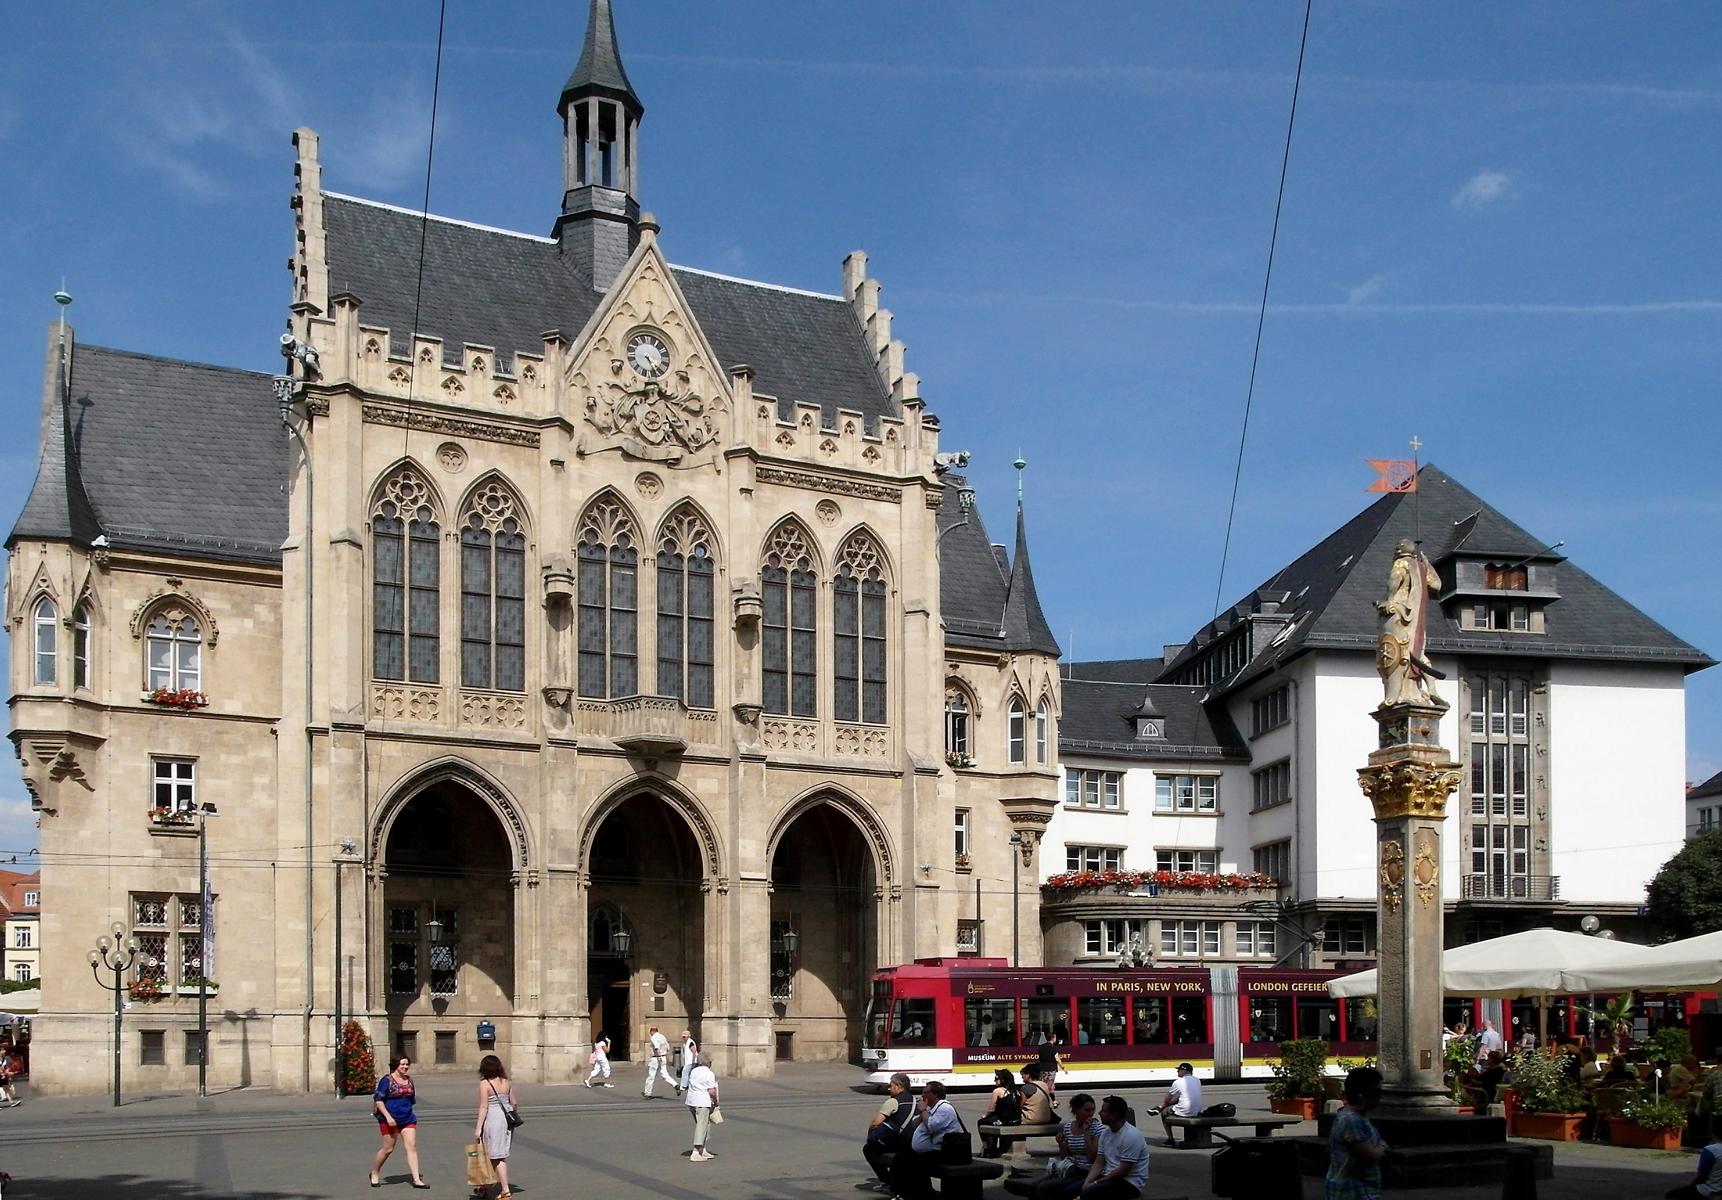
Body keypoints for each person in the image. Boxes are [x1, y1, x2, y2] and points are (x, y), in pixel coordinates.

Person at [889, 1080, 962, 1200]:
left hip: (942, 1151)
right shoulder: (931, 1108)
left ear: (936, 1095)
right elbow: (914, 1124)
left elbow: (932, 1126)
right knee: (900, 1158)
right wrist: (923, 1111)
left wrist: (923, 1111)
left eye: (925, 1092)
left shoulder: (945, 1108)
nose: (922, 1095)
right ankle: (900, 1192)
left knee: (917, 1165)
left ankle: (922, 1194)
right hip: (928, 1150)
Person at [1326, 1066, 1387, 1200]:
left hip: (1361, 1188)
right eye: (1377, 1093)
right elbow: (1369, 1154)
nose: (1380, 1097)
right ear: (1362, 1095)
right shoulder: (1351, 1120)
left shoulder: (1357, 1116)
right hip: (1351, 1190)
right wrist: (1382, 1147)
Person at [370, 1055, 429, 1189]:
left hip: (407, 1118)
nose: (405, 1067)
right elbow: (379, 1100)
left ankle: (416, 1180)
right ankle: (375, 1172)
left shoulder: (409, 1080)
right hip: (388, 1119)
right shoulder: (386, 1080)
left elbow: (411, 1099)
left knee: (412, 1147)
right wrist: (388, 1117)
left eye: (407, 1064)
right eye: (402, 1064)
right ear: (396, 1065)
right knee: (388, 1149)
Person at [1076, 1094, 1149, 1200]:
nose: (1099, 1113)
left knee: (1088, 1194)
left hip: (1129, 1183)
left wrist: (1096, 1182)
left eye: (1104, 1111)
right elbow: (1099, 1162)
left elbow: (1123, 1171)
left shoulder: (1131, 1135)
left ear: (1114, 1116)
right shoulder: (1106, 1133)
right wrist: (1088, 1181)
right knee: (1069, 1190)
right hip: (1108, 1177)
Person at [1034, 1092, 1099, 1200]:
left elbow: (1093, 1157)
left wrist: (1086, 1132)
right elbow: (1064, 1156)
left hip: (1087, 1172)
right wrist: (1061, 1144)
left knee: (1044, 1188)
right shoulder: (1068, 1127)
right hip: (1070, 1169)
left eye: (1093, 1110)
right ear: (1076, 1110)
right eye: (1087, 1110)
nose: (1090, 1114)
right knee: (1034, 1186)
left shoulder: (1097, 1129)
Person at [473, 1054, 516, 1200]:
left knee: (497, 1156)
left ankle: (505, 1190)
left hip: (493, 1119)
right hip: (505, 1120)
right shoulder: (506, 1082)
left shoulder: (485, 1084)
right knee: (494, 1153)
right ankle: (485, 1186)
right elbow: (514, 1103)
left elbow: (484, 1106)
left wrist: (478, 1128)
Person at [862, 1072, 913, 1192]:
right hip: (912, 1141)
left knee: (869, 1149)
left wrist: (871, 1135)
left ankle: (886, 1181)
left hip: (897, 1143)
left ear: (899, 1086)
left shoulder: (893, 1101)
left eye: (891, 1085)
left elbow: (876, 1122)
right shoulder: (914, 1100)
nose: (888, 1088)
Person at [1666, 1117, 1722, 1200]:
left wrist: (1690, 1186)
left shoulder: (1711, 1150)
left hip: (1710, 1191)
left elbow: (1702, 1176)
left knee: (1671, 1196)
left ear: (1714, 1132)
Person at [684, 1051, 720, 1162]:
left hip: (691, 1101)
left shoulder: (694, 1071)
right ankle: (696, 1151)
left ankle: (702, 1149)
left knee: (705, 1124)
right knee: (702, 1125)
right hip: (702, 1102)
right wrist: (716, 1102)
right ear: (708, 1062)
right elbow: (712, 1091)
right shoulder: (709, 1073)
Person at [978, 1068, 1023, 1155]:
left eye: (996, 1079)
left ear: (1002, 1080)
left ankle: (987, 1148)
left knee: (982, 1122)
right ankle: (993, 1148)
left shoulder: (998, 1091)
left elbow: (991, 1109)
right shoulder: (1016, 1091)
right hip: (1016, 1120)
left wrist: (985, 1116)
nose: (994, 1081)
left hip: (1005, 1121)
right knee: (992, 1121)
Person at [643, 1026, 676, 1098]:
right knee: (665, 1074)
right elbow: (668, 1047)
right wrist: (663, 1055)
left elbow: (656, 1047)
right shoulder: (663, 1037)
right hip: (664, 1057)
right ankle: (675, 1085)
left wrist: (659, 1056)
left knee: (651, 1076)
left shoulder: (654, 1037)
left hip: (656, 1058)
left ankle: (647, 1093)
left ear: (652, 1031)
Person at [677, 1030, 699, 1097]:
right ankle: (692, 1085)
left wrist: (693, 1059)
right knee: (690, 1073)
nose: (684, 1038)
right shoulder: (685, 1043)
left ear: (688, 1036)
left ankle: (683, 1086)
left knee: (684, 1072)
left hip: (691, 1061)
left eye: (685, 1037)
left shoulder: (690, 1042)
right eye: (683, 1037)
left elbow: (694, 1051)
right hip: (688, 1061)